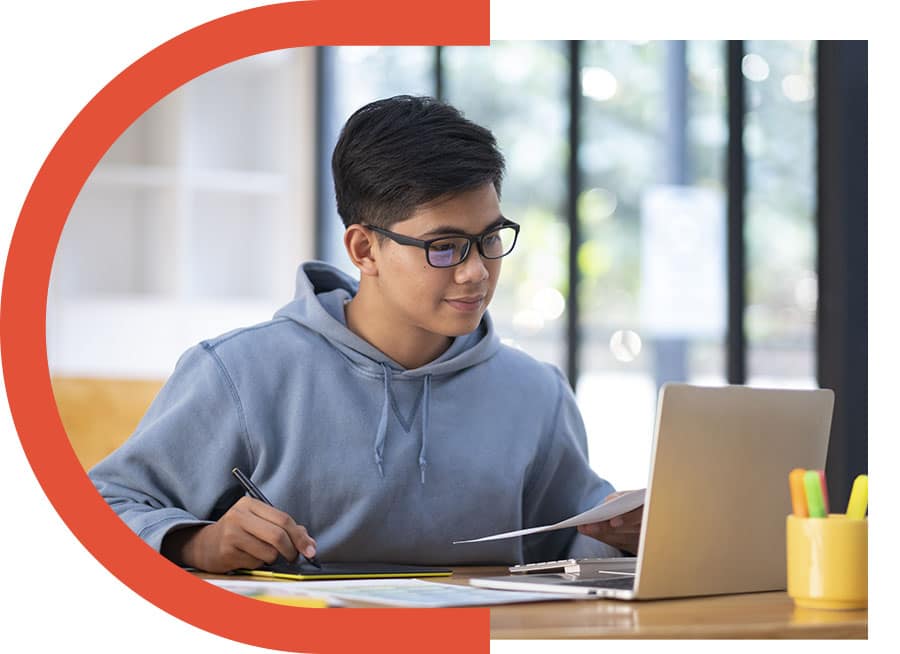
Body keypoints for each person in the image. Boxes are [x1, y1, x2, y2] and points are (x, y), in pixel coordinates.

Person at [89, 95, 642, 574]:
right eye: (443, 246)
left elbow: (572, 549)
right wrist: (196, 540)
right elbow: (100, 506)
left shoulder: (536, 393)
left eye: (491, 238)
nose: (476, 271)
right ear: (363, 249)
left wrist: (636, 537)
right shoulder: (238, 372)